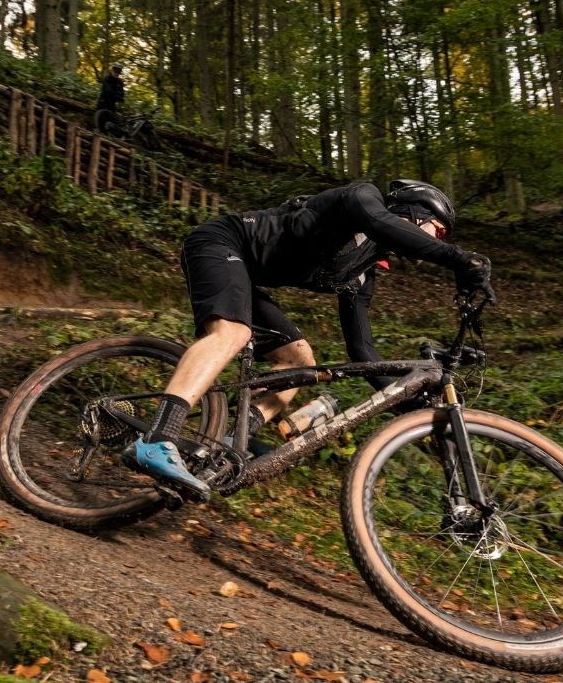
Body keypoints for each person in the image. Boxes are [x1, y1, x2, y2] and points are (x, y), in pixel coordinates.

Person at [122, 179, 495, 501]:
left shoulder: (361, 274)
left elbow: (362, 351)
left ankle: (227, 439)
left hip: (246, 274)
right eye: (438, 229)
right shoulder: (361, 201)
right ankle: (158, 437)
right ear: (414, 212)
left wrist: (408, 400)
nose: (438, 238)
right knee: (233, 332)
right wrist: (461, 260)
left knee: (300, 364)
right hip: (221, 242)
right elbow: (383, 223)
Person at [96, 63, 125, 132]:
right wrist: (116, 95)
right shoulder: (107, 78)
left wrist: (117, 96)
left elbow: (122, 95)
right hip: (103, 103)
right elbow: (107, 91)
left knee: (113, 123)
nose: (116, 73)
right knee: (101, 120)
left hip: (112, 105)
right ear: (112, 70)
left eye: (118, 72)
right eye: (115, 71)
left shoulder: (120, 82)